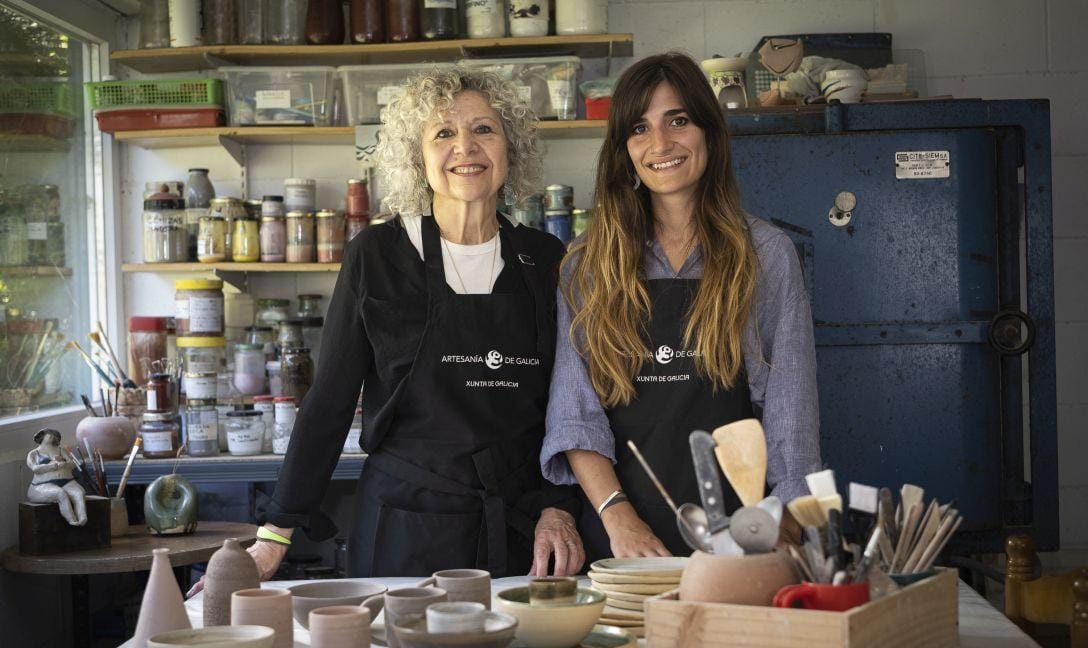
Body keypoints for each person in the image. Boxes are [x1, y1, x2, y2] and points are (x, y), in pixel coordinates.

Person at [238, 68, 584, 583]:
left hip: (522, 530)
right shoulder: (377, 256)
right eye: (443, 134)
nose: (465, 147)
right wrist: (275, 535)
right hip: (405, 524)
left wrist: (559, 507)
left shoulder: (545, 257)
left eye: (484, 130)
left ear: (510, 149)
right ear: (417, 158)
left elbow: (568, 400)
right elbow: (329, 401)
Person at [541, 53, 822, 561]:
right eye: (639, 129)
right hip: (621, 535)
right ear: (624, 151)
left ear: (710, 132)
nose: (661, 144)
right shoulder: (585, 265)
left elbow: (790, 414)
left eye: (678, 121)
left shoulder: (765, 254)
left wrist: (786, 516)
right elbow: (574, 414)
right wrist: (619, 517)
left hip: (740, 534)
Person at [26, 428, 86, 526]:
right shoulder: (33, 453)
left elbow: (72, 463)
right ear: (42, 437)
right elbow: (35, 468)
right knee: (60, 493)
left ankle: (82, 517)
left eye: (53, 435)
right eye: (49, 434)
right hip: (43, 485)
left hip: (66, 481)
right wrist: (50, 466)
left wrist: (64, 463)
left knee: (79, 493)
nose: (51, 436)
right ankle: (71, 520)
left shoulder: (60, 450)